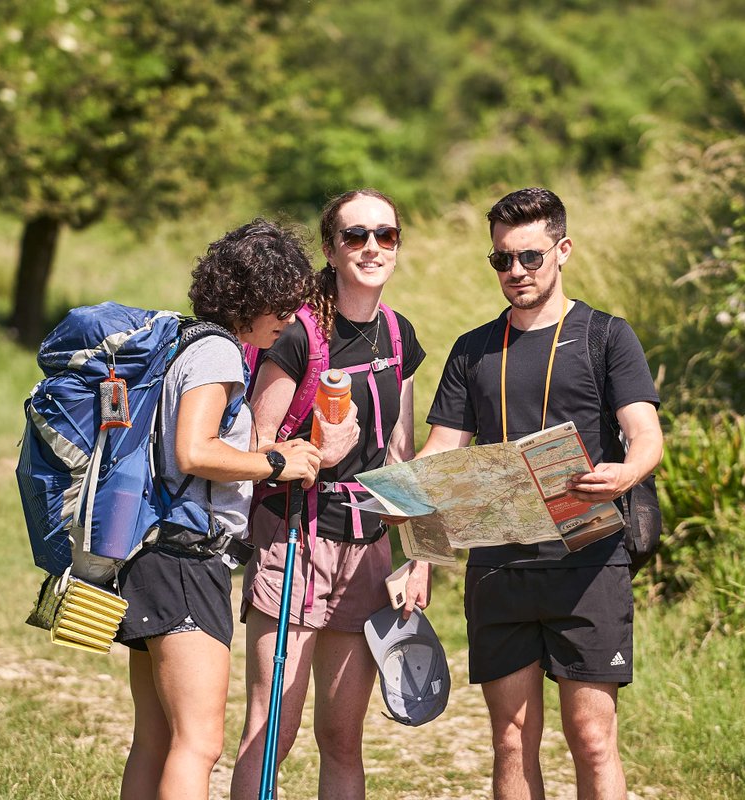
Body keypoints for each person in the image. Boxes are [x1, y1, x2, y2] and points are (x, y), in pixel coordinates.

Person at [416, 187, 663, 800]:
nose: (516, 271)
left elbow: (645, 436)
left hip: (588, 561)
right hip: (498, 565)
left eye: (530, 256)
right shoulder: (473, 348)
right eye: (502, 260)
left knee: (592, 737)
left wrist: (626, 475)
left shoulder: (607, 335)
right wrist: (418, 548)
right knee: (511, 740)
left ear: (563, 250)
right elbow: (440, 456)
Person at [231, 189, 429, 799]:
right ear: (331, 248)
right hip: (293, 538)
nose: (373, 247)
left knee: (343, 738)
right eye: (356, 236)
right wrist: (321, 450)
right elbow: (255, 456)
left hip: (367, 549)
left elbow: (401, 459)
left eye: (386, 235)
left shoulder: (399, 335)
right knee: (272, 730)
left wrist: (418, 555)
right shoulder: (298, 335)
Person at [117, 220, 322, 800]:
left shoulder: (187, 340)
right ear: (249, 298)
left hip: (150, 553)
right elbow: (194, 450)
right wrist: (277, 463)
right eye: (281, 301)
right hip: (185, 560)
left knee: (156, 739)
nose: (289, 315)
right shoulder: (217, 354)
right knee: (199, 742)